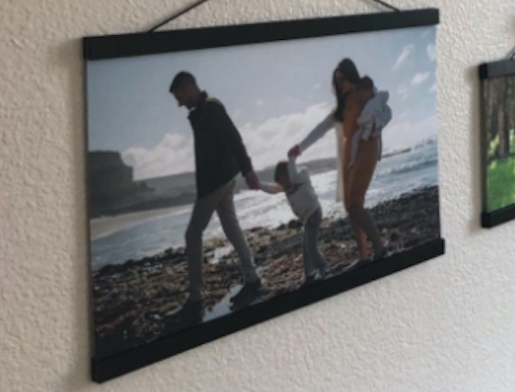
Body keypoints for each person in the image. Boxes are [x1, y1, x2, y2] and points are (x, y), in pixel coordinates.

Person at [167, 72, 261, 322]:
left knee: (192, 233)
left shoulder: (210, 109)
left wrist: (248, 170)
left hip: (216, 182)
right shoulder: (203, 110)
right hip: (222, 179)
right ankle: (252, 278)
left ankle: (196, 299)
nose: (179, 103)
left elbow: (234, 139)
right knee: (231, 227)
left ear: (189, 88)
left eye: (179, 96)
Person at [290, 60, 390, 265]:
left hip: (366, 147)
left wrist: (378, 126)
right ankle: (364, 256)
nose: (341, 84)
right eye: (338, 82)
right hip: (349, 154)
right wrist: (300, 147)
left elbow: (384, 107)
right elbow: (321, 128)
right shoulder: (341, 107)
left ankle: (380, 248)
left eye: (343, 79)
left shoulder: (364, 94)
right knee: (349, 206)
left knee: (355, 201)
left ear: (351, 74)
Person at [259, 155, 327, 285]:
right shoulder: (285, 186)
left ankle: (323, 266)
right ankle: (309, 275)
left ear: (289, 174)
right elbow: (273, 189)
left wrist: (291, 163)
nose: (283, 186)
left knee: (311, 247)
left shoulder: (301, 176)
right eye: (281, 183)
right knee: (305, 248)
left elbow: (297, 173)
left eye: (283, 181)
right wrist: (259, 185)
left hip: (314, 213)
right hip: (307, 218)